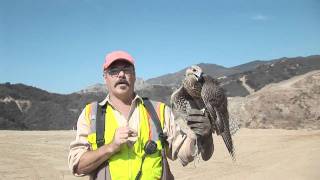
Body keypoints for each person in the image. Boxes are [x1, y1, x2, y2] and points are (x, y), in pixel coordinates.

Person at [68, 50, 212, 180]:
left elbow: (182, 154)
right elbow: (78, 166)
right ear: (105, 77)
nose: (121, 74)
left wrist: (197, 135)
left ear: (134, 75)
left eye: (127, 69)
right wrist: (111, 147)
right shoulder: (90, 114)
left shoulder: (159, 111)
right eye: (114, 70)